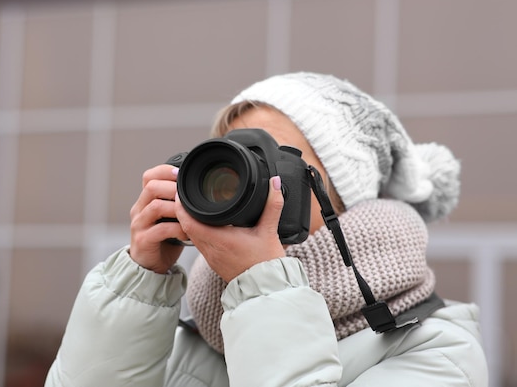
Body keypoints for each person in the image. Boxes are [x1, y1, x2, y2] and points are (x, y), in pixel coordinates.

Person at [45, 72, 488, 386]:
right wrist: (139, 285)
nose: (246, 184)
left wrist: (262, 286)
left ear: (342, 196)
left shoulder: (440, 352)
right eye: (233, 162)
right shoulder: (194, 331)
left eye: (275, 163)